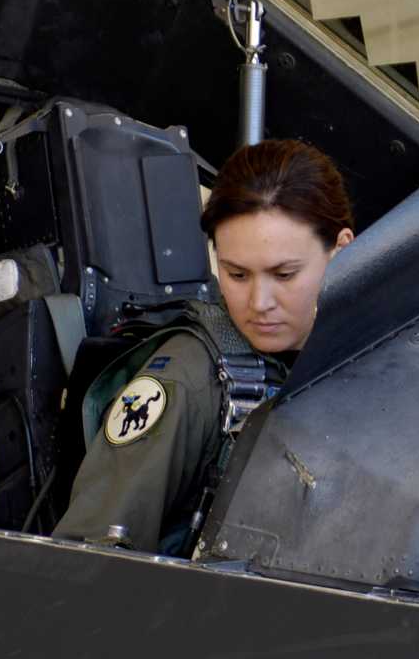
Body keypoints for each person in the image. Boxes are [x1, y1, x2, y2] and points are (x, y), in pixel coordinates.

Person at [54, 139, 355, 553]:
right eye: (237, 274)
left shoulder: (373, 360)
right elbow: (86, 562)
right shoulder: (188, 378)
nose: (259, 303)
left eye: (284, 274)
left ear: (340, 250)